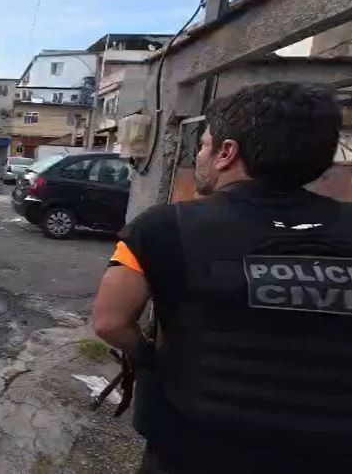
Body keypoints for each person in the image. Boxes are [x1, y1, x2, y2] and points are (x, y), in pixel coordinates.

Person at [92, 82, 352, 474]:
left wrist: (152, 356)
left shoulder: (164, 227)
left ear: (227, 153)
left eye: (204, 144)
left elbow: (109, 320)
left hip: (194, 447)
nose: (199, 154)